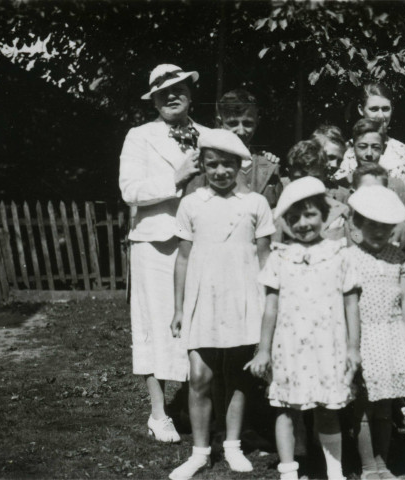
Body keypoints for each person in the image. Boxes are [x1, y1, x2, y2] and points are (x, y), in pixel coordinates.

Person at [168, 129, 275, 480]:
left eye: (227, 165)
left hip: (242, 298)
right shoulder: (191, 203)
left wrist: (265, 308)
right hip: (204, 298)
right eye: (212, 165)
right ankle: (199, 452)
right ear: (202, 165)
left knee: (236, 375)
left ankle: (231, 445)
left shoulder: (255, 204)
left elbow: (264, 260)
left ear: (240, 166)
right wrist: (180, 308)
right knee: (200, 375)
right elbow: (182, 259)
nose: (220, 172)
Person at [119, 63, 210, 442]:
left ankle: (204, 406)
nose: (171, 96)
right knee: (155, 325)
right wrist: (176, 177)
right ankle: (159, 414)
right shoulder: (140, 137)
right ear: (154, 101)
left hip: (201, 243)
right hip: (155, 244)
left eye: (179, 89)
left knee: (201, 325)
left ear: (191, 94)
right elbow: (130, 190)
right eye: (162, 92)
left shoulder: (209, 134)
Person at [247, 177, 361, 480]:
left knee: (327, 408)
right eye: (293, 217)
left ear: (324, 215)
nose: (302, 223)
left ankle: (334, 471)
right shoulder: (280, 257)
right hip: (290, 348)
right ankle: (288, 471)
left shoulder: (340, 254)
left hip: (329, 346)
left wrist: (353, 348)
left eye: (309, 214)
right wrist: (264, 350)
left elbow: (351, 304)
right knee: (286, 408)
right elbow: (270, 307)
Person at [346, 186, 405, 480]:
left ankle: (384, 463)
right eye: (371, 225)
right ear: (358, 224)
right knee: (365, 406)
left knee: (386, 407)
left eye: (385, 226)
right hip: (364, 336)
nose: (378, 231)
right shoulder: (350, 257)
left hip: (392, 337)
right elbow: (347, 303)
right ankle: (368, 466)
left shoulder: (397, 257)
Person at [336, 83, 405, 182]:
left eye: (385, 109)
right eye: (374, 109)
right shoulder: (345, 151)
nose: (380, 116)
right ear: (361, 109)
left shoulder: (404, 152)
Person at [274, 140, 351, 243]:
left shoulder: (343, 199)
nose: (307, 186)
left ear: (325, 174)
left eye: (315, 178)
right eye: (299, 179)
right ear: (289, 175)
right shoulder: (278, 196)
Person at [347, 118, 405, 205]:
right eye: (362, 146)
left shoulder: (396, 186)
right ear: (353, 146)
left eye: (375, 147)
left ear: (384, 148)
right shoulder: (344, 183)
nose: (369, 153)